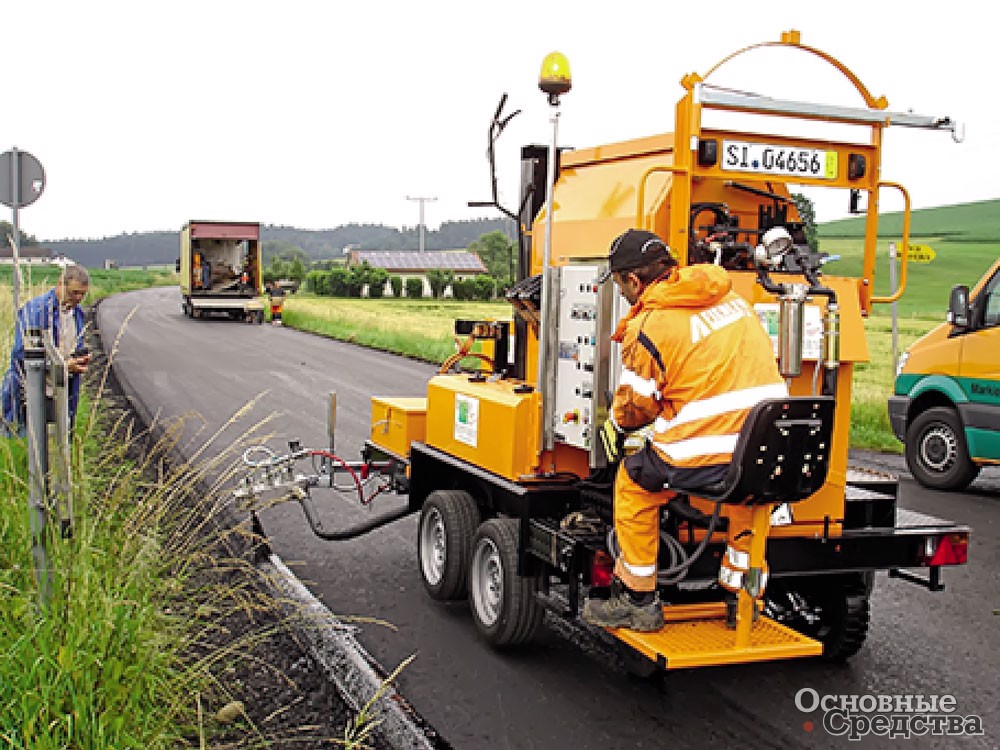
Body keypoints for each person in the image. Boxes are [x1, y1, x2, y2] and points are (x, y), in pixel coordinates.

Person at [582, 229, 787, 632]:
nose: (623, 293)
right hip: (768, 448)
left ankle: (638, 600)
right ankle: (740, 598)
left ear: (635, 281)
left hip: (705, 454)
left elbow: (637, 408)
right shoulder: (731, 300)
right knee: (751, 499)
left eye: (621, 284)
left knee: (635, 483)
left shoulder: (650, 326)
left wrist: (616, 425)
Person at [1, 264, 91, 435]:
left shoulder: (78, 313)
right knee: (32, 444)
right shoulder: (37, 310)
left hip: (62, 390)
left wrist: (79, 360)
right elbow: (23, 357)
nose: (78, 298)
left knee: (58, 442)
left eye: (82, 294)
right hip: (31, 393)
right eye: (74, 292)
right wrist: (63, 365)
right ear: (60, 285)